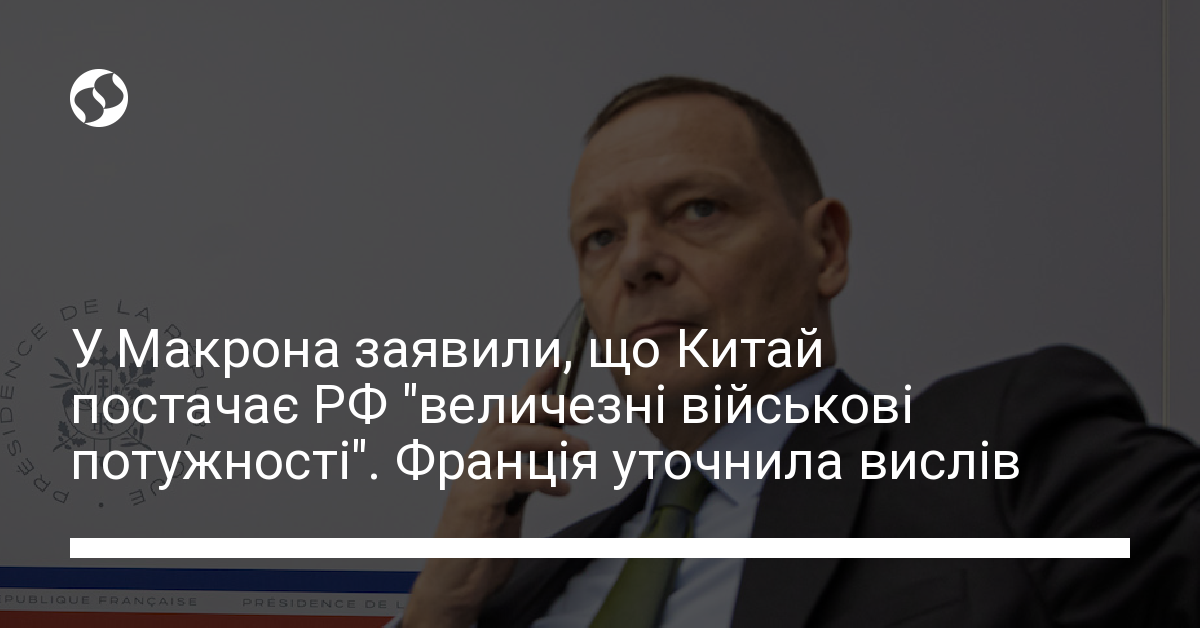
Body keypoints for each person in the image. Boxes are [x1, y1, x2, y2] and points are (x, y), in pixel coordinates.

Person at [391, 76, 1200, 627]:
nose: (636, 261)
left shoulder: (1000, 446)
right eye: (600, 238)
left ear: (826, 249)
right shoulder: (519, 586)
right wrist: (436, 606)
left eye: (697, 209)